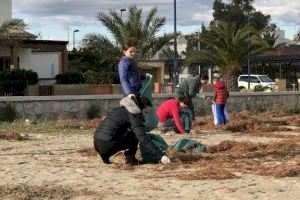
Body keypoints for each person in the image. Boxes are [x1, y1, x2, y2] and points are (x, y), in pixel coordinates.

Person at [93, 95, 171, 165]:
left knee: (119, 131)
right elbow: (143, 138)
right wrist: (160, 155)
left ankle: (105, 159)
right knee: (135, 135)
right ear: (141, 107)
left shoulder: (120, 109)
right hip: (108, 144)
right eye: (145, 112)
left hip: (96, 142)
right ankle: (131, 159)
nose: (145, 115)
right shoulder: (134, 115)